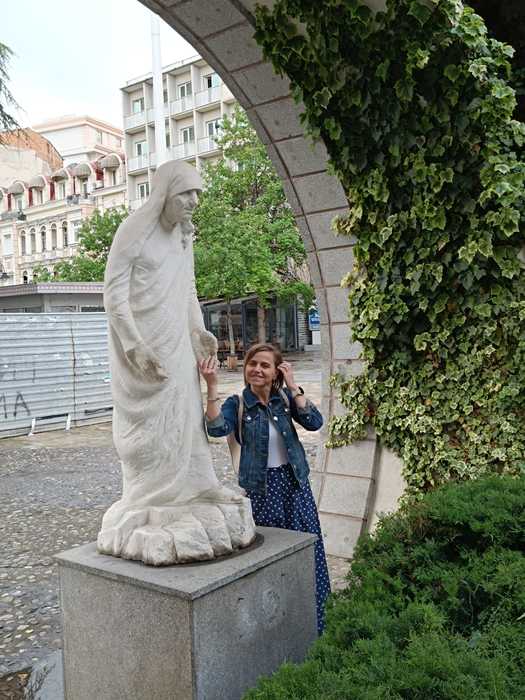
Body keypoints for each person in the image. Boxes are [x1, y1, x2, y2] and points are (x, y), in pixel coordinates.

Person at [97, 160, 255, 565]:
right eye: (187, 193)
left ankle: (199, 485)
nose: (194, 201)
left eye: (198, 193)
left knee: (185, 415)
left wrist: (199, 330)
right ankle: (147, 498)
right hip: (143, 349)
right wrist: (134, 347)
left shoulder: (184, 235)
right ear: (165, 193)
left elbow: (187, 290)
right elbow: (113, 295)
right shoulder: (134, 231)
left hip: (177, 344)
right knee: (151, 427)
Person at [200, 343, 331, 633]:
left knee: (308, 552)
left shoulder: (283, 398)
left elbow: (314, 422)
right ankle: (278, 630)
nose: (257, 369)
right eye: (252, 364)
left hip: (295, 487)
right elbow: (217, 428)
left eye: (265, 365)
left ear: (276, 372)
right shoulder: (237, 403)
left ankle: (317, 624)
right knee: (269, 558)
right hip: (262, 492)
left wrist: (294, 387)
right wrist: (212, 386)